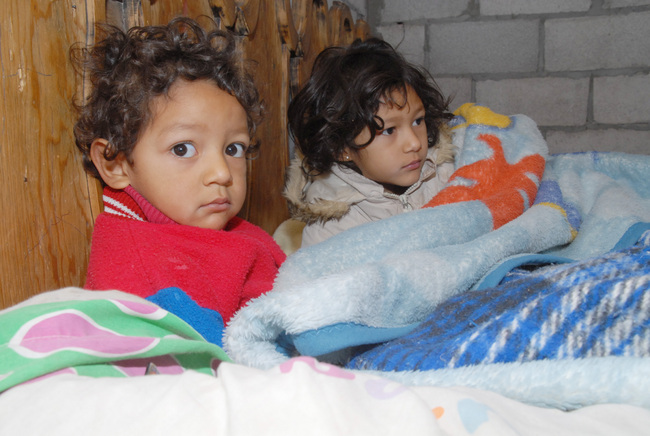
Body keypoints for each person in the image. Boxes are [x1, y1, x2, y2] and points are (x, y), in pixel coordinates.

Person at [72, 17, 286, 337]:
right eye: (183, 149)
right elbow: (180, 350)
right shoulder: (134, 261)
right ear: (116, 164)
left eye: (233, 148)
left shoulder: (238, 231)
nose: (221, 173)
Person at [283, 38, 457, 248]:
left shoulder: (450, 175)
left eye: (418, 121)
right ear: (342, 148)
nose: (414, 143)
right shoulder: (330, 231)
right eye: (389, 130)